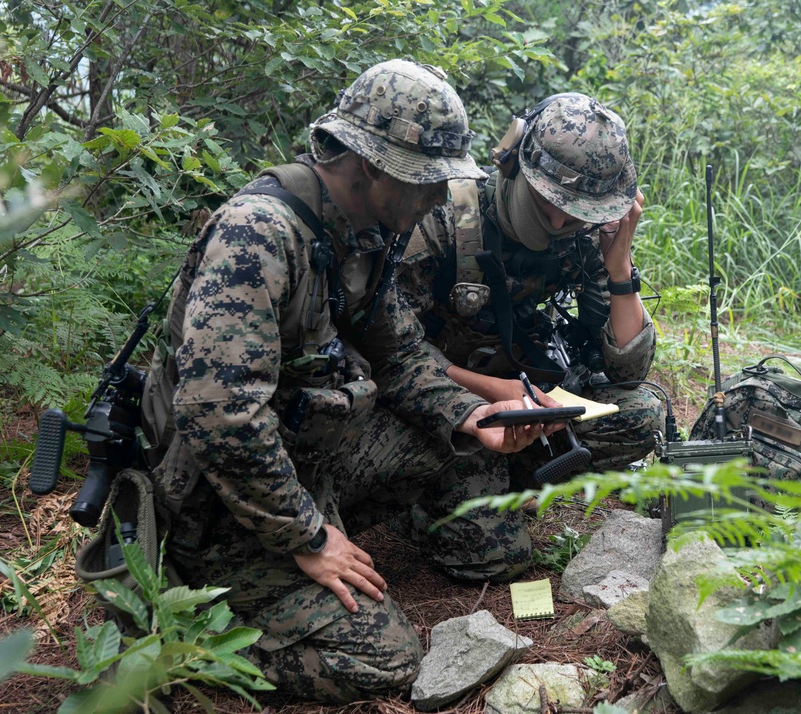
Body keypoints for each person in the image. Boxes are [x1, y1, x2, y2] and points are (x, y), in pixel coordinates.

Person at [138, 59, 557, 704]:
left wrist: (468, 414)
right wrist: (307, 538)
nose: (439, 199)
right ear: (369, 167)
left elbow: (401, 357)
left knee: (451, 440)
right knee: (386, 658)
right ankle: (185, 642)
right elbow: (222, 416)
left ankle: (331, 528)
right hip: (222, 496)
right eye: (425, 184)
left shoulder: (365, 235)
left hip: (308, 455)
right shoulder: (259, 235)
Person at [396, 92, 665, 489]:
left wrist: (620, 265)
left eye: (580, 210)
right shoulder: (443, 219)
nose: (559, 221)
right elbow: (392, 355)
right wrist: (497, 391)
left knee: (642, 412)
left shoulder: (585, 236)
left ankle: (513, 476)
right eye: (549, 199)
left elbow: (628, 373)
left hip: (526, 405)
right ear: (511, 163)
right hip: (439, 400)